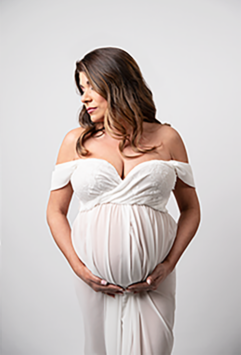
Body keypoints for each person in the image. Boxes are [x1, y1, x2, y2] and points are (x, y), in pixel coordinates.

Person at [46, 48, 199, 354]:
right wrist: (79, 268)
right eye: (81, 88)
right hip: (94, 282)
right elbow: (55, 211)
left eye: (91, 86)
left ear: (117, 85)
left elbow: (191, 209)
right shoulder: (76, 142)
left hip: (155, 282)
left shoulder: (167, 138)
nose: (84, 98)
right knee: (97, 348)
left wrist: (168, 265)